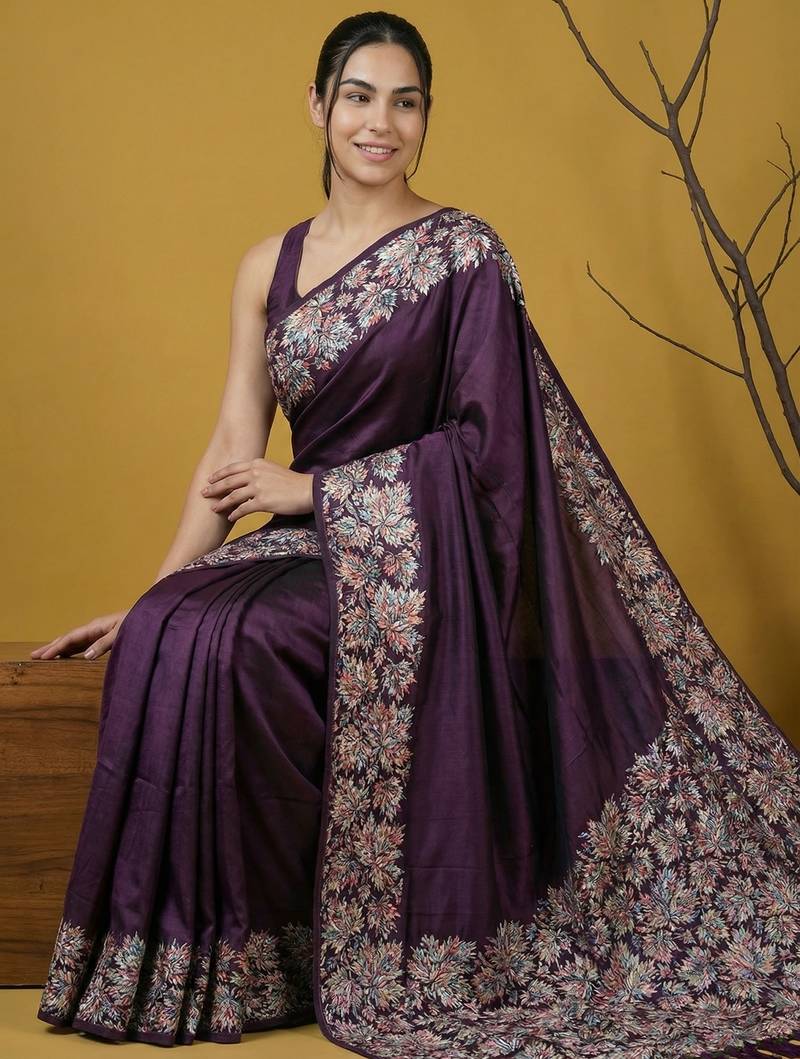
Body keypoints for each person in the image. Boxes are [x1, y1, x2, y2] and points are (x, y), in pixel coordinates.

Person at [35, 10, 800, 1059]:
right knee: (177, 625)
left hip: (428, 560)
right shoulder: (268, 265)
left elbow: (491, 456)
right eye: (358, 97)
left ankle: (309, 943)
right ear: (317, 107)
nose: (379, 123)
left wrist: (313, 490)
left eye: (405, 102)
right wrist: (149, 594)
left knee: (241, 640)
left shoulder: (462, 253)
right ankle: (224, 953)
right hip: (296, 548)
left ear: (426, 119)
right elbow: (230, 447)